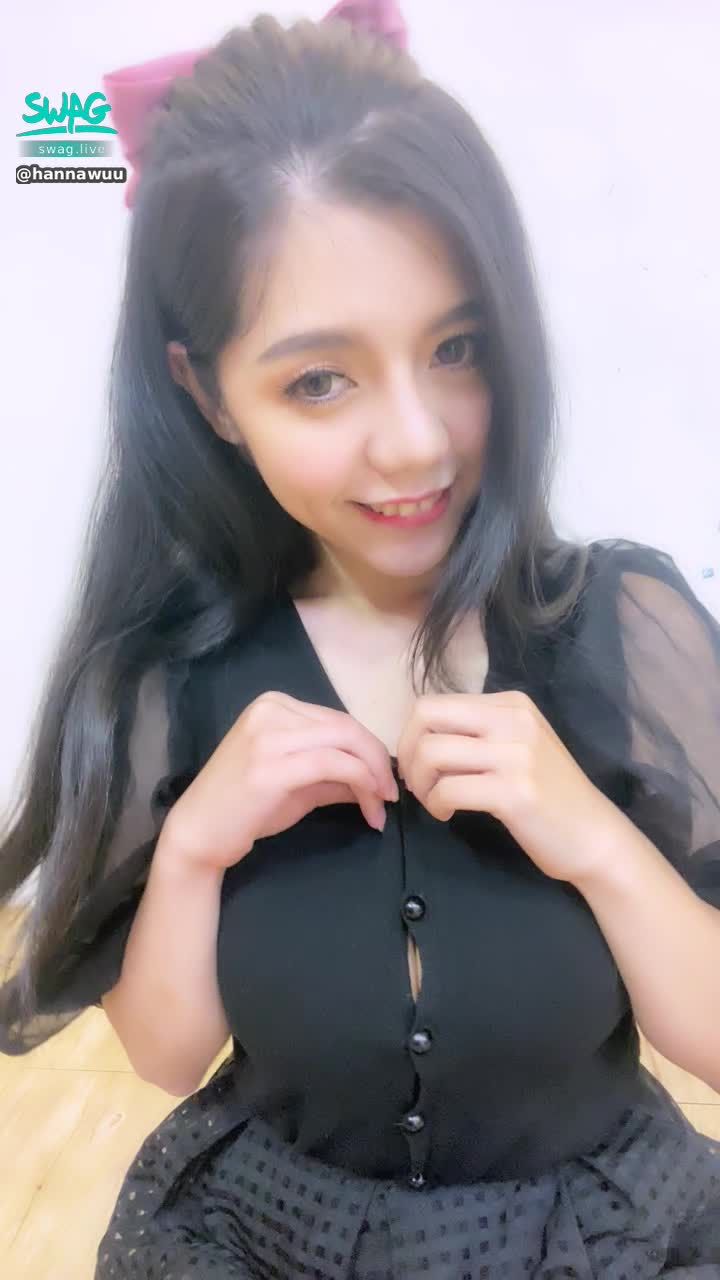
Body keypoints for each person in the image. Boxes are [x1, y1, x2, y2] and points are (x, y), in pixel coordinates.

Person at [1, 2, 720, 1275]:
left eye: (458, 347)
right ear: (207, 393)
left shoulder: (621, 625)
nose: (417, 441)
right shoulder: (168, 676)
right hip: (268, 1236)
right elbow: (167, 1053)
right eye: (318, 379)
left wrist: (597, 838)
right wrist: (198, 844)